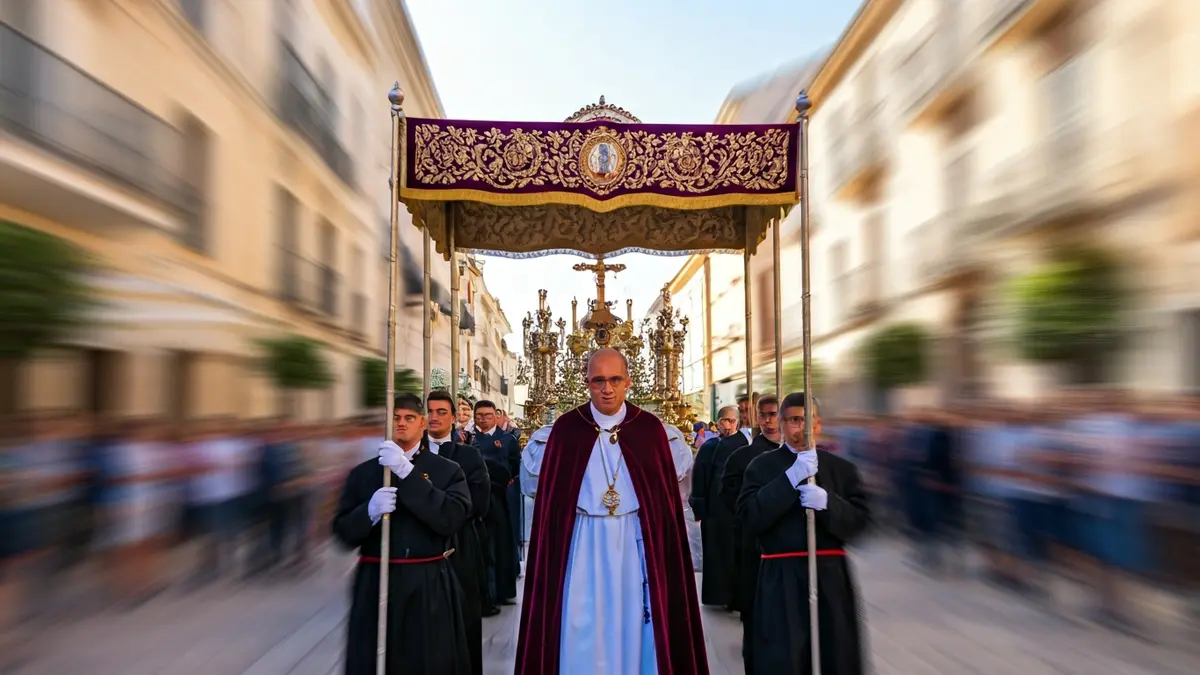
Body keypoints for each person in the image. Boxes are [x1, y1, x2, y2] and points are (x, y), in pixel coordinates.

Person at [516, 348, 707, 674]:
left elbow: (663, 505)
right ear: (587, 382)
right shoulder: (565, 430)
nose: (607, 388)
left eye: (615, 379)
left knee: (633, 617)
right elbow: (551, 506)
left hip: (634, 543)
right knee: (580, 619)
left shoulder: (649, 430)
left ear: (627, 381)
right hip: (580, 543)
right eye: (598, 380)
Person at [332, 393, 472, 675]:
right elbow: (343, 533)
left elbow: (451, 518)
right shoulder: (362, 474)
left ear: (422, 423)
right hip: (375, 581)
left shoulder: (447, 471)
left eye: (409, 418)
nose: (401, 424)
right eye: (395, 418)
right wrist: (368, 512)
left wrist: (407, 474)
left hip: (426, 582)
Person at [737, 392, 869, 675]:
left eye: (808, 420)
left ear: (819, 424)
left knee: (834, 653)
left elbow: (861, 523)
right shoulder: (761, 467)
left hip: (830, 576)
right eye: (795, 420)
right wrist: (789, 479)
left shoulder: (842, 469)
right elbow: (749, 518)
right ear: (782, 424)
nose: (803, 428)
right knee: (784, 657)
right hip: (781, 577)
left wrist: (829, 503)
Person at [427, 390, 493, 673]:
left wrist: (438, 511)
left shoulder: (469, 456)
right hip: (421, 549)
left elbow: (479, 503)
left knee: (464, 618)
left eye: (442, 412)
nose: (434, 417)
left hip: (460, 543)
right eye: (429, 411)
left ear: (454, 418)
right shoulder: (410, 455)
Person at [720, 395, 782, 673]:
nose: (769, 420)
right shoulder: (742, 457)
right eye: (764, 414)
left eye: (774, 414)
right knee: (756, 623)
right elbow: (730, 498)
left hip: (789, 555)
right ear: (756, 418)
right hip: (754, 549)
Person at [471, 399, 521, 609]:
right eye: (479, 415)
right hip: (479, 499)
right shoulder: (469, 441)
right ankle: (486, 593)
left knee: (501, 544)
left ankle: (503, 590)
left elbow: (515, 465)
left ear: (496, 416)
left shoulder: (508, 440)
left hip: (501, 498)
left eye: (487, 415)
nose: (483, 419)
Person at [689, 404, 738, 605]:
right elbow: (699, 478)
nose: (727, 425)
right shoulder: (708, 447)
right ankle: (716, 596)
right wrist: (700, 508)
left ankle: (734, 597)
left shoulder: (743, 444)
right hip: (714, 510)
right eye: (723, 421)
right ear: (717, 422)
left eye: (731, 421)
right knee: (714, 553)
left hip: (736, 510)